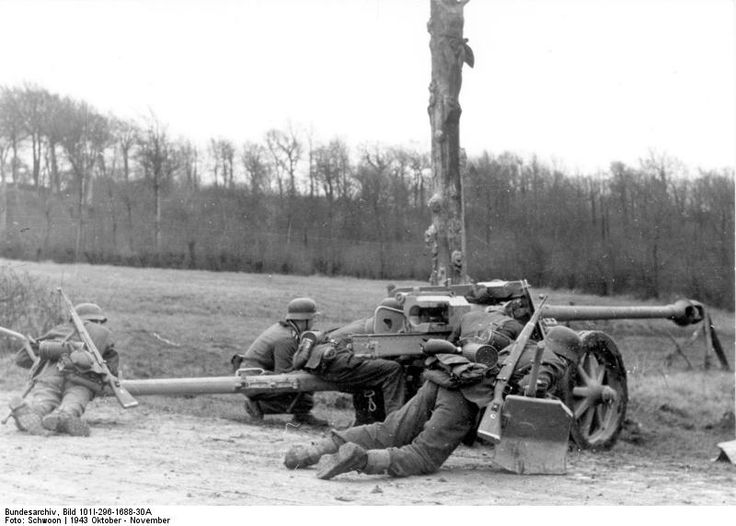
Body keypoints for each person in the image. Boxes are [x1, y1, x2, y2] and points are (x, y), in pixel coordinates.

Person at [283, 319, 582, 479]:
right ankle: (363, 461)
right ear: (569, 355)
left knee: (389, 430)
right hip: (465, 396)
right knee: (423, 456)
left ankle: (311, 451)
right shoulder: (553, 362)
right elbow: (535, 386)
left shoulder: (523, 345)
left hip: (441, 378)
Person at [289, 297, 407, 429]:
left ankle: (364, 422)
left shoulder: (367, 323)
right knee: (393, 369)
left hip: (323, 360)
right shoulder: (381, 326)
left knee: (374, 370)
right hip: (333, 360)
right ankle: (395, 426)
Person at [8, 303, 118, 437]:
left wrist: (47, 355)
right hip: (83, 380)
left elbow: (22, 357)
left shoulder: (59, 331)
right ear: (100, 321)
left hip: (49, 375)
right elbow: (111, 369)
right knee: (74, 402)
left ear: (72, 319)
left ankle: (32, 413)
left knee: (44, 400)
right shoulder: (103, 334)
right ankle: (62, 417)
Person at [236, 297, 328, 427]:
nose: (314, 323)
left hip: (254, 376)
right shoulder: (287, 339)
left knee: (304, 388)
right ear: (305, 320)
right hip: (255, 381)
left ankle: (300, 415)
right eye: (313, 319)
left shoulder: (287, 330)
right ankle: (258, 405)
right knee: (305, 396)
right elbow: (284, 375)